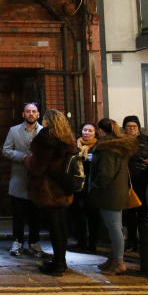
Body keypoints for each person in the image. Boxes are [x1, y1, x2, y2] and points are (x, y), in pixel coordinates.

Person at [26, 109, 75, 276]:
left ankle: (58, 263)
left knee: (55, 228)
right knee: (61, 226)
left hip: (49, 189)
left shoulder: (46, 139)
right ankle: (60, 260)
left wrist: (28, 161)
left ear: (47, 121)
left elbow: (39, 166)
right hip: (64, 188)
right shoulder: (67, 138)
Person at [88, 118, 140, 275]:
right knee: (114, 226)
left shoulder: (107, 148)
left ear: (101, 131)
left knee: (114, 227)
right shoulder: (117, 145)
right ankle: (114, 258)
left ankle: (118, 261)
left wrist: (95, 186)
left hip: (110, 193)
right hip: (116, 190)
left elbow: (106, 174)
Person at [2, 102, 42, 256]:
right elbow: (6, 150)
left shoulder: (44, 131)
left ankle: (34, 243)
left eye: (33, 111)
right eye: (28, 111)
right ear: (23, 114)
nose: (31, 114)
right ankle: (17, 242)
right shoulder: (14, 131)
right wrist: (22, 157)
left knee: (36, 215)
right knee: (18, 214)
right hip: (19, 177)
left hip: (37, 180)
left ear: (38, 114)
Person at [122, 115, 148, 253]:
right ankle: (131, 241)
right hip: (126, 180)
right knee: (128, 212)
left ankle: (144, 241)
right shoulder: (121, 141)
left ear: (139, 127)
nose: (131, 129)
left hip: (144, 179)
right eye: (128, 127)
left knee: (143, 211)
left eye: (134, 126)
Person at [71, 121, 101, 253]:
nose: (86, 133)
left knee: (93, 215)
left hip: (92, 185)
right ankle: (81, 241)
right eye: (84, 130)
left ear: (95, 133)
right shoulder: (75, 146)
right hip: (78, 185)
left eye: (90, 131)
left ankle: (93, 243)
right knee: (78, 214)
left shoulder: (98, 147)